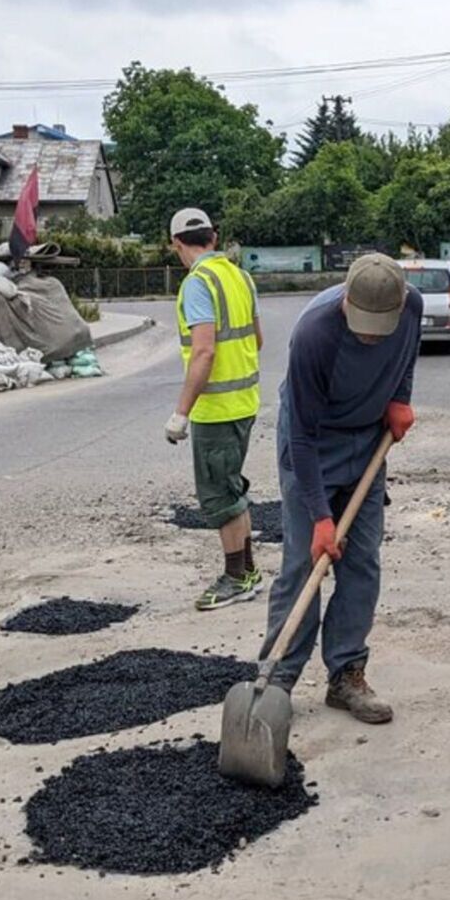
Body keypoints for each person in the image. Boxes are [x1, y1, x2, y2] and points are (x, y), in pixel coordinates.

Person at [259, 253, 419, 724]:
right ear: (346, 300)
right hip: (314, 444)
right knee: (302, 563)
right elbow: (301, 436)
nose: (370, 334)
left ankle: (346, 674)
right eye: (363, 324)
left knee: (363, 561)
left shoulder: (409, 311)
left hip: (369, 441)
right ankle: (276, 680)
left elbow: (405, 358)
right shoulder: (315, 333)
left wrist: (400, 400)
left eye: (379, 325)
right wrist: (321, 518)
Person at [161, 208, 265, 611]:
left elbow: (203, 350)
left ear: (176, 245)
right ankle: (248, 570)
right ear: (214, 238)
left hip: (216, 409)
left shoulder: (197, 284)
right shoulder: (241, 277)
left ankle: (237, 577)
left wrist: (181, 412)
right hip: (244, 403)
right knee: (231, 489)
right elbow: (256, 340)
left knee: (220, 497)